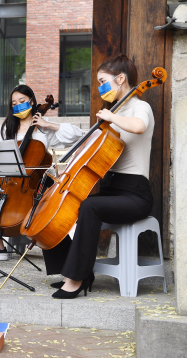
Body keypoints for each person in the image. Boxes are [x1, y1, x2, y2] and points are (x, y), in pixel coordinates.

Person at [45, 54, 154, 299]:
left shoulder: (139, 107)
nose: (100, 88)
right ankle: (68, 270)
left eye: (103, 81)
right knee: (61, 208)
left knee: (90, 207)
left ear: (121, 79)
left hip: (135, 194)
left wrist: (111, 117)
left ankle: (78, 278)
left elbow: (138, 127)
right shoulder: (113, 110)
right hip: (111, 188)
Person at [0, 84, 83, 261]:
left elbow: (77, 135)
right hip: (9, 180)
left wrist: (48, 123)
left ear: (32, 102)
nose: (18, 105)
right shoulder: (7, 129)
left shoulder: (43, 130)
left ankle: (57, 253)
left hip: (35, 182)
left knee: (46, 205)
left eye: (22, 101)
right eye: (14, 103)